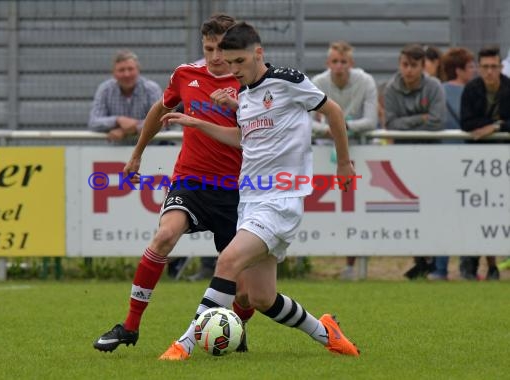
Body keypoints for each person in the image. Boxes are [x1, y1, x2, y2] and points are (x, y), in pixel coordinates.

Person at [158, 21, 360, 360]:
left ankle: (184, 345)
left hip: (280, 199)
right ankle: (326, 332)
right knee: (260, 298)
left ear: (258, 53)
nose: (233, 69)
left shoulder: (287, 81)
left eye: (239, 62)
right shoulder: (245, 96)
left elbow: (333, 111)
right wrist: (199, 124)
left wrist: (343, 163)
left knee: (227, 260)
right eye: (229, 62)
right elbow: (242, 140)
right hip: (249, 199)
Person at [93, 13, 255, 353]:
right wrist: (138, 152)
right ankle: (130, 326)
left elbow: (254, 136)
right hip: (190, 181)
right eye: (208, 48)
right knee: (165, 235)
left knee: (248, 293)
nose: (214, 58)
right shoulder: (185, 75)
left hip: (235, 191)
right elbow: (158, 110)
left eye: (221, 50)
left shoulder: (250, 82)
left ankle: (231, 328)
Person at [311, 40, 378, 280]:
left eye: (344, 62)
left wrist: (341, 126)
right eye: (335, 62)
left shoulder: (366, 81)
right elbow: (305, 121)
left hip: (358, 151)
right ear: (328, 63)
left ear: (351, 63)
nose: (339, 66)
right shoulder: (318, 82)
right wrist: (330, 131)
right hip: (323, 151)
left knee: (356, 209)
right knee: (318, 212)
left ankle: (354, 264)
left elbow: (372, 121)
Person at [385, 44, 445, 280]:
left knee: (432, 210)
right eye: (405, 65)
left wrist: (406, 122)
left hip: (431, 158)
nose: (408, 70)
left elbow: (438, 122)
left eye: (414, 65)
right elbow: (390, 124)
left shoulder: (434, 86)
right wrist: (421, 118)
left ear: (422, 67)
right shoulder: (391, 88)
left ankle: (432, 262)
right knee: (408, 211)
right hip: (403, 159)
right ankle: (420, 260)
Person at [460, 45, 510, 281]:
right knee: (475, 214)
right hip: (476, 163)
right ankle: (470, 263)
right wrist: (500, 121)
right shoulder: (472, 89)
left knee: (499, 214)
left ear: (501, 67)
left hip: (504, 163)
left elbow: (482, 125)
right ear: (479, 68)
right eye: (485, 67)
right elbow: (467, 123)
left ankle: (493, 265)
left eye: (494, 67)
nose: (490, 72)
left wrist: (495, 126)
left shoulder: (509, 87)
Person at [426, 47, 476, 280]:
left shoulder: (438, 90)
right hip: (467, 160)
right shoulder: (470, 91)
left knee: (442, 215)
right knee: (468, 214)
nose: (474, 71)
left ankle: (440, 268)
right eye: (470, 66)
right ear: (459, 69)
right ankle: (468, 268)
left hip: (441, 159)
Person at [88, 49, 162, 144]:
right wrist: (118, 120)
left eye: (130, 69)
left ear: (138, 70)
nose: (126, 74)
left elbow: (161, 121)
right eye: (121, 70)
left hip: (150, 150)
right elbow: (93, 122)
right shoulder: (105, 90)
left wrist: (134, 128)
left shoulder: (151, 89)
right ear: (114, 73)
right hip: (115, 153)